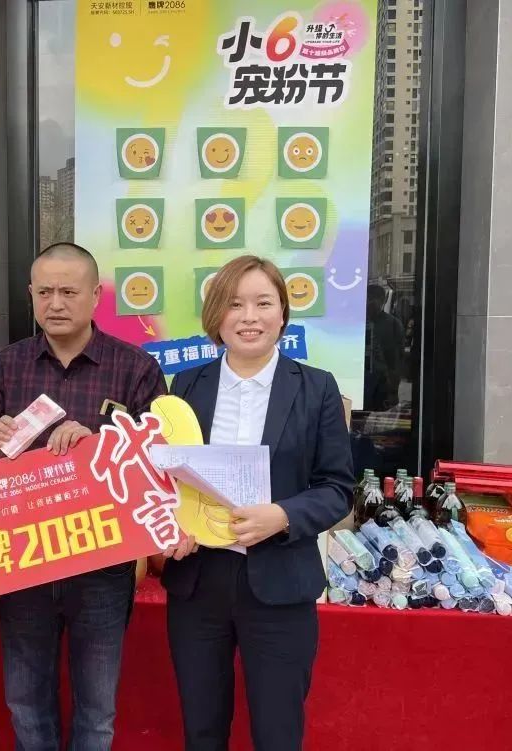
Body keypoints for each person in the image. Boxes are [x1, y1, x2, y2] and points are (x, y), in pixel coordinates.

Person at [0, 242, 167, 751]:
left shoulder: (135, 368)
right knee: (24, 700)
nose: (55, 303)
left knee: (97, 709)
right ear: (31, 294)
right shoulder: (7, 366)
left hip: (102, 563)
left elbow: (159, 461)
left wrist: (102, 444)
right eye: (44, 292)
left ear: (95, 295)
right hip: (21, 559)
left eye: (68, 291)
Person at [162, 256, 354, 751]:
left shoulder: (316, 387)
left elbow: (337, 487)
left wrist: (283, 516)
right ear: (216, 316)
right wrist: (170, 526)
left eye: (263, 303)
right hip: (199, 581)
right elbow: (167, 480)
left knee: (277, 732)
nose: (249, 317)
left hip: (280, 583)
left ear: (282, 314)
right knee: (202, 729)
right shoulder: (187, 386)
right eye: (234, 304)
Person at [364, 283, 405, 411]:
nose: (370, 303)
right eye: (369, 298)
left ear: (383, 301)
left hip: (382, 381)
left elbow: (396, 360)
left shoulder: (393, 324)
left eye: (374, 299)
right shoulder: (356, 321)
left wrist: (393, 390)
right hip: (362, 380)